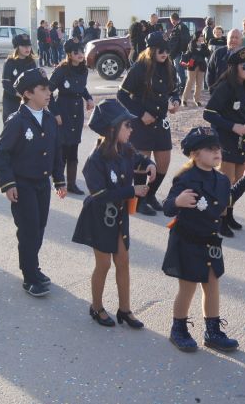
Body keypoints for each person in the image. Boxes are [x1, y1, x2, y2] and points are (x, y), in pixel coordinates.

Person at [162, 126, 245, 352]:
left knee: (212, 284)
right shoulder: (185, 179)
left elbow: (226, 199)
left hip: (211, 241)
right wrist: (177, 203)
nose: (217, 153)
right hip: (187, 240)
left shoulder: (222, 179)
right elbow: (167, 206)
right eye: (210, 149)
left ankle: (212, 331)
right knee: (188, 287)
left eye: (218, 148)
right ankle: (178, 329)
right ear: (195, 154)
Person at [73, 100, 157, 328]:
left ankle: (125, 310)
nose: (132, 129)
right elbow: (99, 194)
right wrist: (132, 190)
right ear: (112, 129)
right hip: (99, 216)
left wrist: (149, 163)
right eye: (127, 125)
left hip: (119, 215)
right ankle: (96, 307)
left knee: (123, 261)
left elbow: (139, 158)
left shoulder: (125, 149)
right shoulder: (95, 160)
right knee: (104, 265)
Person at [0, 68, 67, 297]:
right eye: (43, 89)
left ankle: (33, 267)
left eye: (48, 88)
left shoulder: (48, 118)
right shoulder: (17, 121)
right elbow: (1, 154)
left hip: (42, 184)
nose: (49, 93)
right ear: (27, 93)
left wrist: (59, 180)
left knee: (39, 227)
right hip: (22, 184)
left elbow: (56, 151)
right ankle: (29, 276)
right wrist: (8, 184)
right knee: (28, 231)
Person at [117, 32, 181, 216]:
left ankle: (151, 194)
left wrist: (175, 101)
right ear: (151, 49)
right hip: (141, 123)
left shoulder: (169, 67)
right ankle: (139, 200)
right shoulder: (139, 68)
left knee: (163, 162)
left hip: (161, 122)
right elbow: (121, 95)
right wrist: (140, 113)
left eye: (166, 49)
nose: (164, 52)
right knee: (141, 164)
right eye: (160, 49)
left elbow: (174, 91)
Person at [203, 47, 245, 237]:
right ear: (234, 68)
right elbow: (209, 113)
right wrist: (232, 126)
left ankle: (228, 214)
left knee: (238, 180)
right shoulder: (225, 87)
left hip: (242, 141)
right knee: (225, 183)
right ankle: (219, 221)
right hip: (225, 140)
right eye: (244, 66)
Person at [48, 40, 95, 195]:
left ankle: (72, 184)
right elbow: (47, 92)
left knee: (73, 147)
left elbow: (82, 87)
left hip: (77, 112)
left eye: (82, 51)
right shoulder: (61, 70)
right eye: (76, 52)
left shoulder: (83, 70)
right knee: (62, 148)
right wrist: (55, 113)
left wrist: (88, 98)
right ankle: (59, 182)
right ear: (69, 54)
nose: (80, 55)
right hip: (63, 110)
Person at [2, 34, 37, 123]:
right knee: (12, 127)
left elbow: (35, 81)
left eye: (29, 46)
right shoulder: (10, 62)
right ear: (17, 47)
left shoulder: (31, 62)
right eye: (24, 46)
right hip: (11, 101)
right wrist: (19, 94)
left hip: (28, 101)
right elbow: (6, 83)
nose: (27, 48)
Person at [206, 28, 242, 94]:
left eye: (236, 38)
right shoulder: (218, 53)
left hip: (239, 94)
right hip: (219, 92)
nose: (233, 40)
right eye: (231, 37)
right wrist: (211, 89)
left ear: (241, 40)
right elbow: (210, 72)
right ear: (227, 39)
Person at [182, 31, 210, 107]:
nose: (202, 37)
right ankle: (184, 100)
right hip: (192, 64)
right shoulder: (191, 43)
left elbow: (207, 54)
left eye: (203, 36)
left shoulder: (204, 45)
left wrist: (204, 47)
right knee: (190, 82)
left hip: (201, 65)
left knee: (199, 84)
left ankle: (197, 100)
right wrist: (202, 51)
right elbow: (193, 51)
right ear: (197, 36)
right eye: (201, 36)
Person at [168, 13, 190, 94]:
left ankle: (183, 87)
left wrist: (182, 51)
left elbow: (185, 40)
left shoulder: (181, 27)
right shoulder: (178, 26)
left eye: (171, 20)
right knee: (178, 70)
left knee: (180, 70)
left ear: (172, 20)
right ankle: (180, 86)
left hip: (178, 53)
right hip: (175, 53)